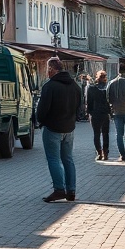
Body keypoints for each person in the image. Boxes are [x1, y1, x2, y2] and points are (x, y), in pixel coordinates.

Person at [36, 57, 82, 202]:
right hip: (69, 128)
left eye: (47, 69)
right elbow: (80, 107)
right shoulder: (75, 86)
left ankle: (59, 189)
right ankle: (71, 191)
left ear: (51, 69)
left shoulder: (49, 86)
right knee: (68, 159)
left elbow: (42, 109)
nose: (46, 72)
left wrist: (41, 121)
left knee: (53, 159)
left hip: (53, 128)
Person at [86, 70, 111, 160]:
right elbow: (110, 101)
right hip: (105, 113)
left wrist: (89, 113)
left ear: (97, 77)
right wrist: (110, 112)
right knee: (105, 134)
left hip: (95, 114)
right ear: (105, 78)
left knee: (96, 134)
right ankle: (106, 153)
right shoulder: (108, 88)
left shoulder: (91, 88)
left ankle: (99, 153)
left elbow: (88, 102)